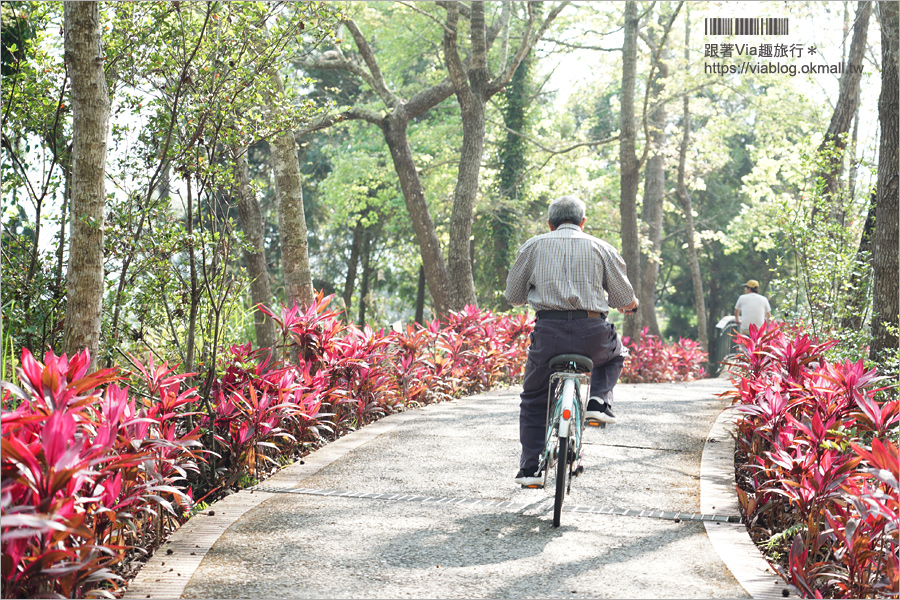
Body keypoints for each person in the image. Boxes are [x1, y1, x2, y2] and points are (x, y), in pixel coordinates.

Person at [504, 195, 638, 488]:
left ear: (550, 224)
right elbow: (622, 299)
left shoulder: (533, 246)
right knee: (615, 355)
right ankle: (599, 401)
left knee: (534, 397)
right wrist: (631, 303)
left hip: (548, 335)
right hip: (592, 333)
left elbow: (513, 296)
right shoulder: (602, 248)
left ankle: (530, 469)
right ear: (583, 221)